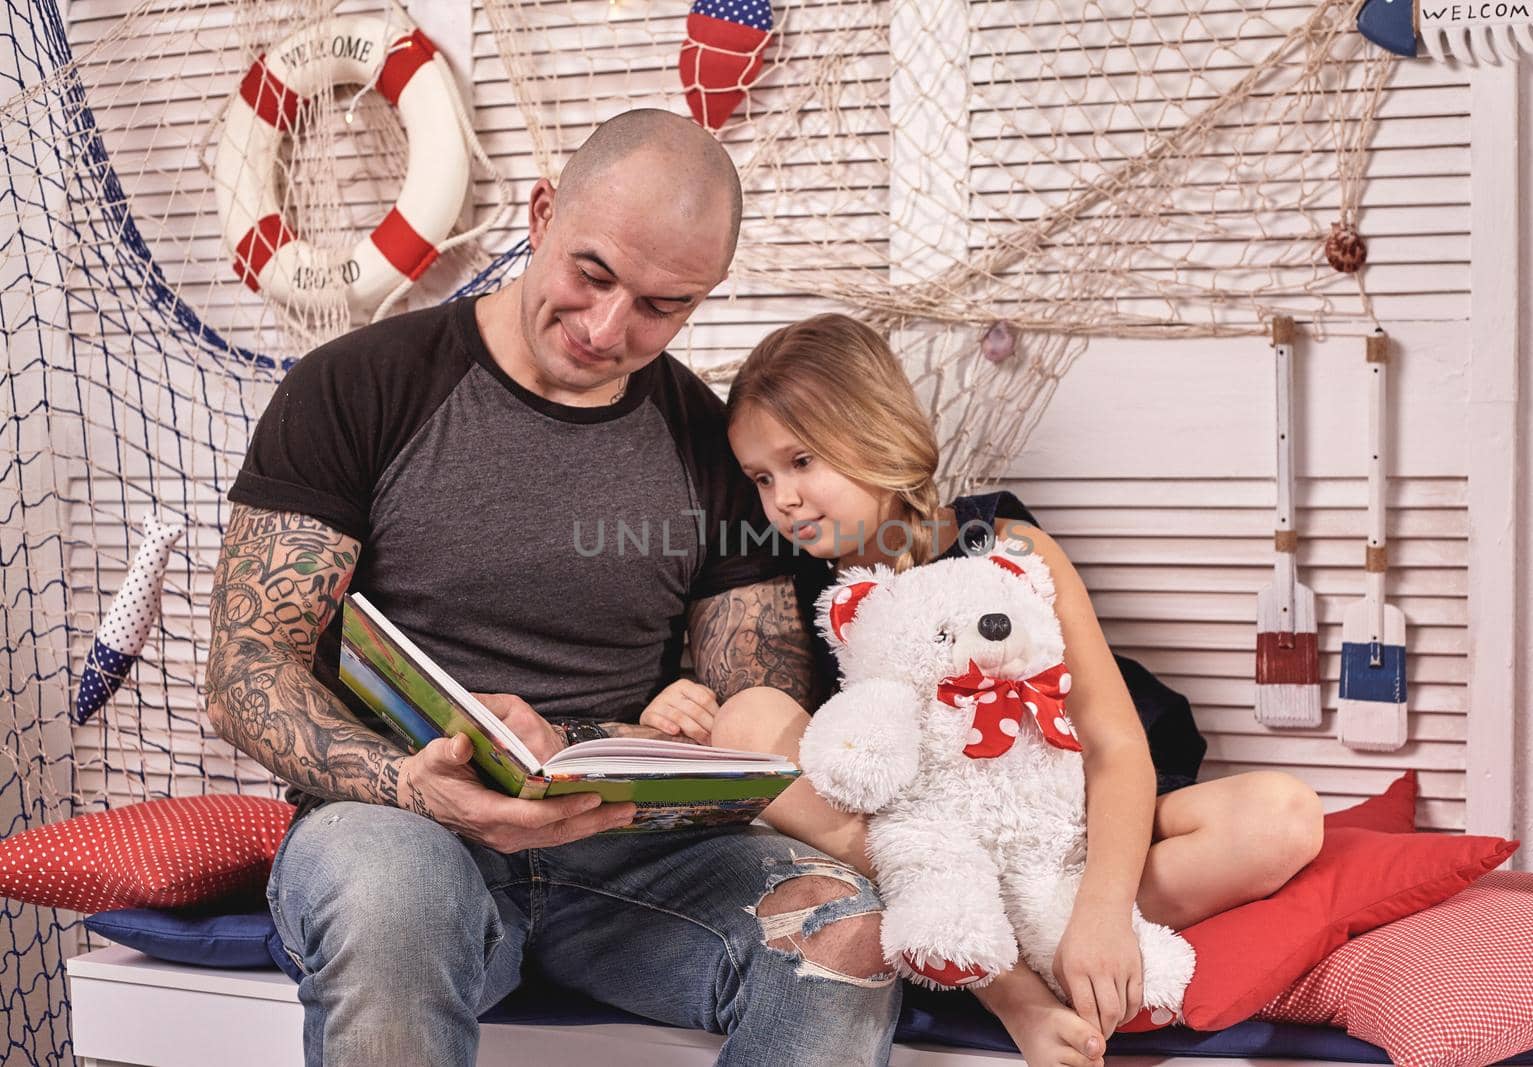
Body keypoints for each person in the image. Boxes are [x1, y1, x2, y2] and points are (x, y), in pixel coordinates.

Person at [204, 112, 903, 1067]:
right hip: (403, 828)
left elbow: (758, 705)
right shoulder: (357, 387)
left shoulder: (712, 440)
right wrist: (416, 783)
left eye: (663, 306)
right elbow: (245, 669)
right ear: (539, 215)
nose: (609, 329)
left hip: (634, 854)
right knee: (389, 896)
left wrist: (666, 739)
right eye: (594, 274)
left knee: (846, 933)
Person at [682, 313, 1327, 1067]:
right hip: (930, 851)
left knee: (1284, 816)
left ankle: (1038, 929)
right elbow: (772, 750)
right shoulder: (792, 589)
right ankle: (1009, 987)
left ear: (874, 431)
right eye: (761, 477)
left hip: (1060, 831)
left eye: (801, 461)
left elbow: (1115, 744)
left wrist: (1103, 911)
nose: (782, 499)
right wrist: (676, 707)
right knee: (748, 718)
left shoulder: (1010, 548)